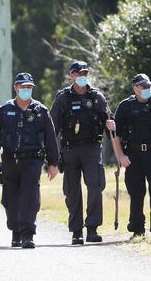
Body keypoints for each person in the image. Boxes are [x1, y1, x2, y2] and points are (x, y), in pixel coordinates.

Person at [0, 72, 60, 249]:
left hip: (33, 160)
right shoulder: (5, 110)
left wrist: (53, 163)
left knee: (30, 196)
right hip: (10, 160)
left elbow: (50, 138)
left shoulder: (41, 111)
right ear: (16, 88)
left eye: (29, 87)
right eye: (23, 87)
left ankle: (28, 234)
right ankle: (15, 231)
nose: (26, 90)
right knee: (11, 198)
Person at [50, 61, 115, 245]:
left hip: (92, 149)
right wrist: (51, 156)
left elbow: (109, 120)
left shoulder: (97, 97)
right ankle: (76, 231)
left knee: (95, 187)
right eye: (79, 73)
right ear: (72, 75)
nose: (82, 76)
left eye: (85, 72)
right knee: (72, 191)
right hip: (69, 149)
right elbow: (52, 127)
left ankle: (92, 228)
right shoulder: (63, 98)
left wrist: (112, 125)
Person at [112, 74, 151, 240]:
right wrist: (121, 156)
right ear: (135, 88)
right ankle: (137, 227)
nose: (147, 89)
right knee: (136, 192)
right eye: (143, 86)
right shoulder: (125, 106)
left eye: (149, 86)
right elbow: (116, 135)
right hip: (132, 155)